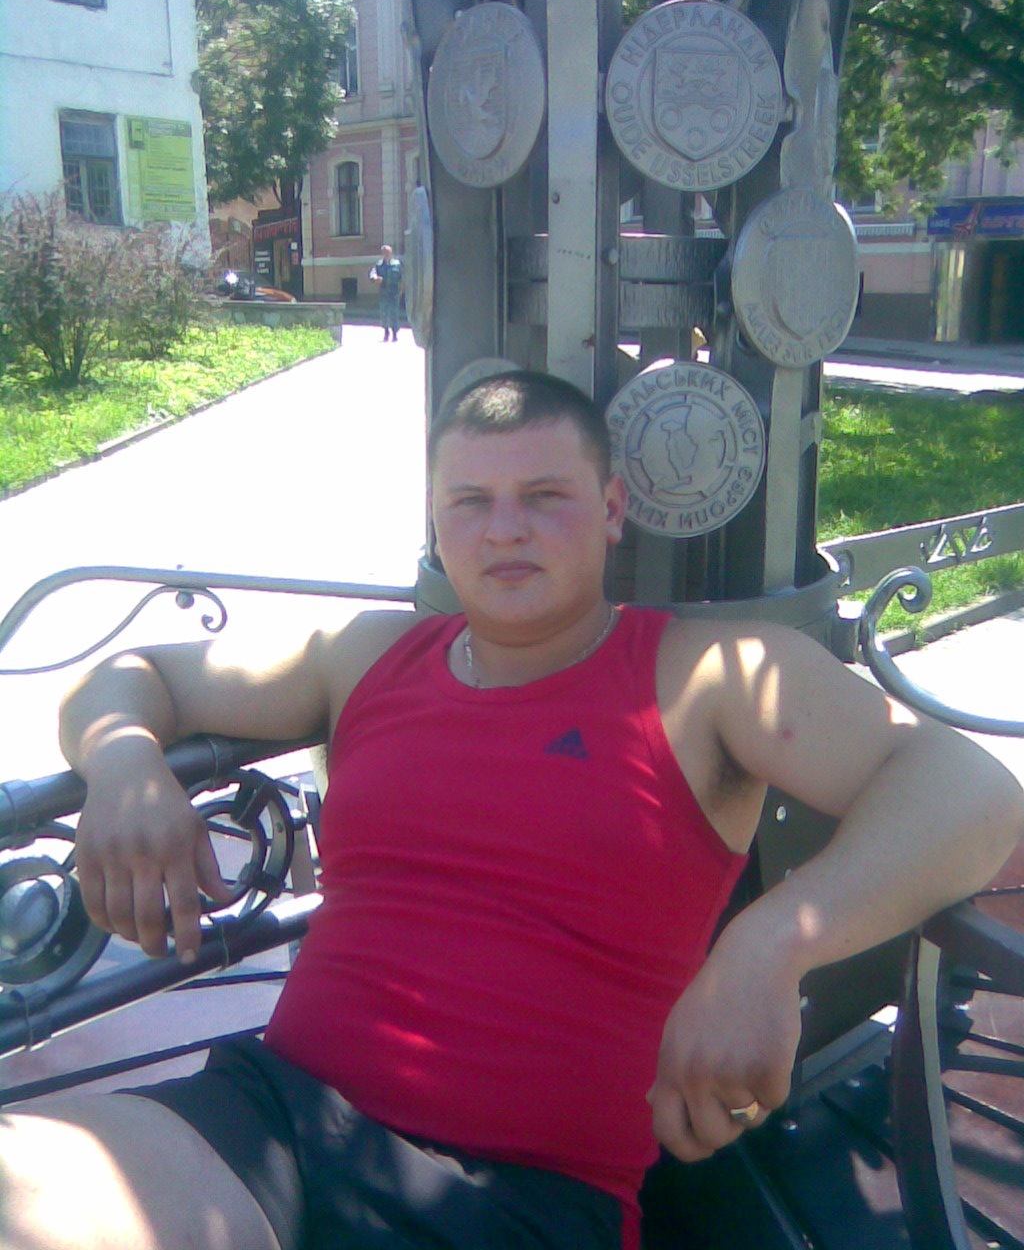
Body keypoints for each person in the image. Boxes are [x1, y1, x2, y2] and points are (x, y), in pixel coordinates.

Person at [1, 372, 1021, 1250]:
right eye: (470, 501)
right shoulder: (366, 655)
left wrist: (767, 945)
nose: (504, 529)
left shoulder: (707, 674)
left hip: (524, 1197)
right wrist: (126, 761)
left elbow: (973, 792)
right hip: (274, 1115)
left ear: (611, 507)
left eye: (544, 496)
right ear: (435, 520)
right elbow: (130, 674)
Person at [368, 243, 404, 341]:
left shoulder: (397, 264)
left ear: (391, 253)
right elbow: (372, 274)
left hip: (394, 292)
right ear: (382, 254)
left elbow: (402, 278)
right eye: (385, 252)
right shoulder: (379, 265)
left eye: (388, 252)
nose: (387, 254)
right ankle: (386, 332)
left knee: (394, 313)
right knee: (384, 313)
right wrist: (375, 278)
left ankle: (395, 333)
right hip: (383, 292)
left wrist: (401, 291)